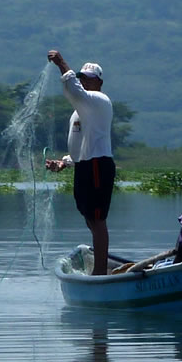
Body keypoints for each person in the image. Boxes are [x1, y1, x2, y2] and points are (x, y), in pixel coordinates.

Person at [42, 49, 117, 274]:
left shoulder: (99, 101)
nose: (84, 82)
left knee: (97, 219)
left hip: (98, 164)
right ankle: (100, 267)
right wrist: (64, 163)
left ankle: (100, 271)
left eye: (88, 79)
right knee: (89, 218)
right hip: (85, 165)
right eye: (82, 78)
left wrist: (61, 63)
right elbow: (80, 145)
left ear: (99, 83)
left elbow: (73, 89)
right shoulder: (80, 111)